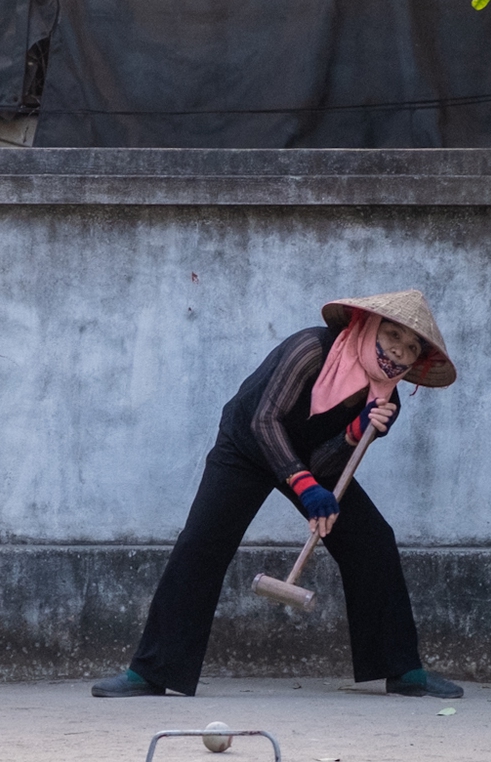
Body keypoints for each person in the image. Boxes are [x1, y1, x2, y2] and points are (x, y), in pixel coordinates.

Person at [91, 290, 466, 700]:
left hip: (309, 460)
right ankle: (150, 672)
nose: (399, 349)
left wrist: (354, 433)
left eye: (412, 347)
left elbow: (324, 464)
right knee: (202, 544)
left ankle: (403, 669)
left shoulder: (384, 399)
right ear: (369, 326)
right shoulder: (310, 348)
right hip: (247, 446)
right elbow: (266, 420)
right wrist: (305, 487)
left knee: (372, 540)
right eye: (393, 334)